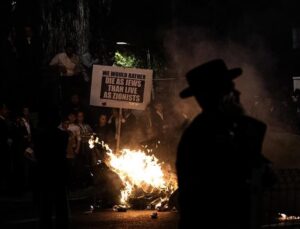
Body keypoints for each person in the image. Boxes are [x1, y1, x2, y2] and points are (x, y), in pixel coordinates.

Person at [176, 59, 275, 229]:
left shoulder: (222, 127)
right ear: (220, 95)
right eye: (230, 87)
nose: (238, 93)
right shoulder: (206, 134)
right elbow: (239, 170)